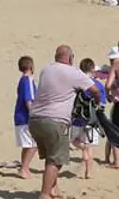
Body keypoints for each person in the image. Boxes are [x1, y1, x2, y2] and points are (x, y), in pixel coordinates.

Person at [28, 45, 101, 199]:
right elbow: (95, 90)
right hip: (55, 121)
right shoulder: (73, 72)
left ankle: (53, 190)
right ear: (70, 58)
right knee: (56, 160)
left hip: (34, 120)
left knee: (50, 156)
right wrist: (96, 102)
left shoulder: (46, 69)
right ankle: (45, 194)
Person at [71, 58, 106, 179]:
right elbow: (102, 104)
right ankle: (88, 172)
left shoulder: (77, 84)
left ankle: (82, 148)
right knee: (89, 146)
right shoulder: (98, 85)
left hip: (77, 119)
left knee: (74, 141)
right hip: (92, 120)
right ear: (92, 69)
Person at [14, 56, 38, 179]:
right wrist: (33, 114)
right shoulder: (27, 80)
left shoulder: (23, 80)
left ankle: (24, 168)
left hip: (20, 117)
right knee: (34, 144)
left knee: (27, 145)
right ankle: (24, 169)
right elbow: (28, 99)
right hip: (25, 117)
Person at [104, 45, 119, 169]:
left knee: (115, 131)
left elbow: (108, 85)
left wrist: (108, 94)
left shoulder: (116, 66)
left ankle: (117, 162)